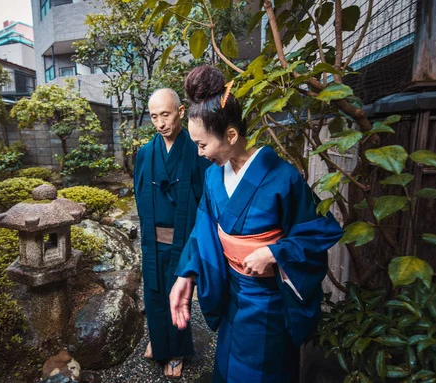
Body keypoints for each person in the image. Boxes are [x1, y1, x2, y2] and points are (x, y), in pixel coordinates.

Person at [169, 65, 343, 382]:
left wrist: (276, 253)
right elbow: (203, 232)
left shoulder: (282, 178)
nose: (199, 153)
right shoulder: (212, 177)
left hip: (269, 305)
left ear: (231, 135)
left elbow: (319, 230)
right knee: (226, 369)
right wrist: (187, 274)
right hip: (232, 298)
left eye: (202, 144)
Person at [133, 88, 211, 378]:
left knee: (178, 294)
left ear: (180, 112)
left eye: (165, 114)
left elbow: (205, 195)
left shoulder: (196, 149)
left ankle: (175, 351)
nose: (160, 123)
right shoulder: (145, 153)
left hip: (183, 237)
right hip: (153, 238)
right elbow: (139, 193)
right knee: (153, 292)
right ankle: (160, 340)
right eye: (154, 117)